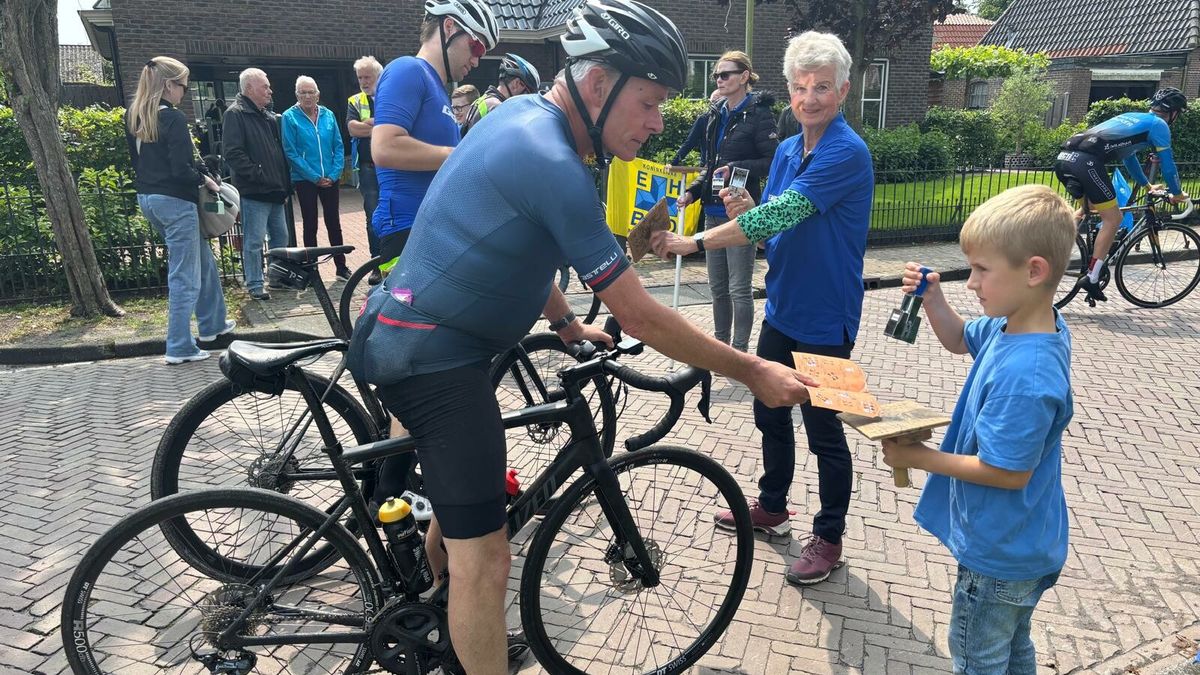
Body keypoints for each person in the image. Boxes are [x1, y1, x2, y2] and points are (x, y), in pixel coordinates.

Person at [347, 2, 813, 672]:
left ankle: (439, 618)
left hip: (416, 337)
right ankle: (463, 634)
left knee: (464, 504)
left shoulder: (521, 118)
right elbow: (641, 314)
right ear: (598, 86)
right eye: (649, 102)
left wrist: (565, 324)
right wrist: (752, 369)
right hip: (433, 358)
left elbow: (515, 238)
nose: (657, 124)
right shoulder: (551, 158)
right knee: (491, 552)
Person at [653, 31, 873, 586]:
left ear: (843, 90)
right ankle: (772, 507)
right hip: (783, 309)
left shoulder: (847, 152)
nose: (810, 98)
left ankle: (829, 536)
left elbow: (781, 216)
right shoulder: (785, 150)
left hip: (829, 317)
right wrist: (748, 208)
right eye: (801, 87)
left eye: (822, 86)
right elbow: (770, 220)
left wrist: (694, 243)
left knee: (826, 431)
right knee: (768, 412)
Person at [883, 184, 1076, 674]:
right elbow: (956, 338)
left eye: (982, 270)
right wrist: (933, 298)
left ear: (1035, 271)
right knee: (1013, 648)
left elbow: (1007, 473)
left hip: (999, 553)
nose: (972, 283)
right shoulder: (1020, 324)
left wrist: (917, 457)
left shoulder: (1025, 377)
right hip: (1028, 541)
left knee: (976, 657)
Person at [370, 0, 498, 269]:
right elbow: (385, 148)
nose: (476, 60)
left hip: (437, 230)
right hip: (409, 232)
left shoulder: (439, 89)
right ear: (449, 26)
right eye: (476, 47)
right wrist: (460, 156)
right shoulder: (408, 69)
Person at [128, 56, 233, 364]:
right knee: (185, 274)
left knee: (202, 262)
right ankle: (179, 345)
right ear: (169, 85)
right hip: (175, 201)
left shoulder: (134, 115)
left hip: (149, 199)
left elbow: (141, 164)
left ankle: (213, 325)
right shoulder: (172, 118)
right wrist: (205, 180)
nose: (184, 93)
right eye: (184, 87)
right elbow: (180, 168)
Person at [677, 51, 778, 353]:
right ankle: (722, 349)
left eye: (725, 74)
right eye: (716, 76)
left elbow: (773, 161)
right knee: (717, 288)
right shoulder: (716, 113)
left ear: (744, 76)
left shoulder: (759, 115)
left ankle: (739, 351)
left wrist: (735, 169)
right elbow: (710, 164)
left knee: (738, 288)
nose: (719, 80)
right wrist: (693, 192)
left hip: (740, 212)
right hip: (712, 211)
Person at [1054, 87, 1190, 303]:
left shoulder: (1131, 118)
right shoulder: (1159, 125)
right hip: (1086, 163)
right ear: (1173, 113)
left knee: (1090, 209)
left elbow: (1129, 159)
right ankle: (1092, 276)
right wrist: (1177, 193)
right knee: (1114, 218)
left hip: (1064, 160)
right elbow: (1168, 166)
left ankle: (1050, 244)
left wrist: (1147, 186)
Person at [223, 68, 292, 300]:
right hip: (255, 190)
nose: (270, 91)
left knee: (280, 238)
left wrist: (283, 183)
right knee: (253, 240)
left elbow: (278, 153)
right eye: (265, 86)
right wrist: (258, 174)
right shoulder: (236, 114)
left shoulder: (268, 116)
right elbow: (233, 153)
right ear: (250, 88)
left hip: (275, 189)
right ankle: (254, 284)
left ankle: (276, 277)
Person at [282, 75, 350, 279]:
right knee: (310, 223)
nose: (307, 96)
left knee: (334, 222)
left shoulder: (328, 115)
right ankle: (311, 270)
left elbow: (338, 146)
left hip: (330, 177)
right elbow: (290, 152)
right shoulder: (289, 117)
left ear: (318, 95)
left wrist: (334, 173)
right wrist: (313, 176)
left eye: (311, 92)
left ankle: (341, 267)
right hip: (306, 179)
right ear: (296, 95)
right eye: (303, 92)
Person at [348, 56, 384, 284]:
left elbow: (398, 124)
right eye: (360, 77)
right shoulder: (355, 100)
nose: (363, 81)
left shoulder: (389, 96)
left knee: (395, 214)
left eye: (367, 77)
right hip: (368, 168)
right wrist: (378, 125)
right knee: (373, 216)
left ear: (378, 76)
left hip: (393, 167)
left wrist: (370, 124)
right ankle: (376, 265)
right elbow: (352, 129)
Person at [459, 52, 541, 135]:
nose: (527, 98)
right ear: (516, 84)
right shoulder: (497, 107)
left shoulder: (483, 100)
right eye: (528, 92)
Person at [668, 88, 723, 168]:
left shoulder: (733, 118)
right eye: (712, 102)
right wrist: (673, 163)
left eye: (717, 102)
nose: (714, 105)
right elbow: (689, 143)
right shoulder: (703, 119)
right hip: (707, 167)